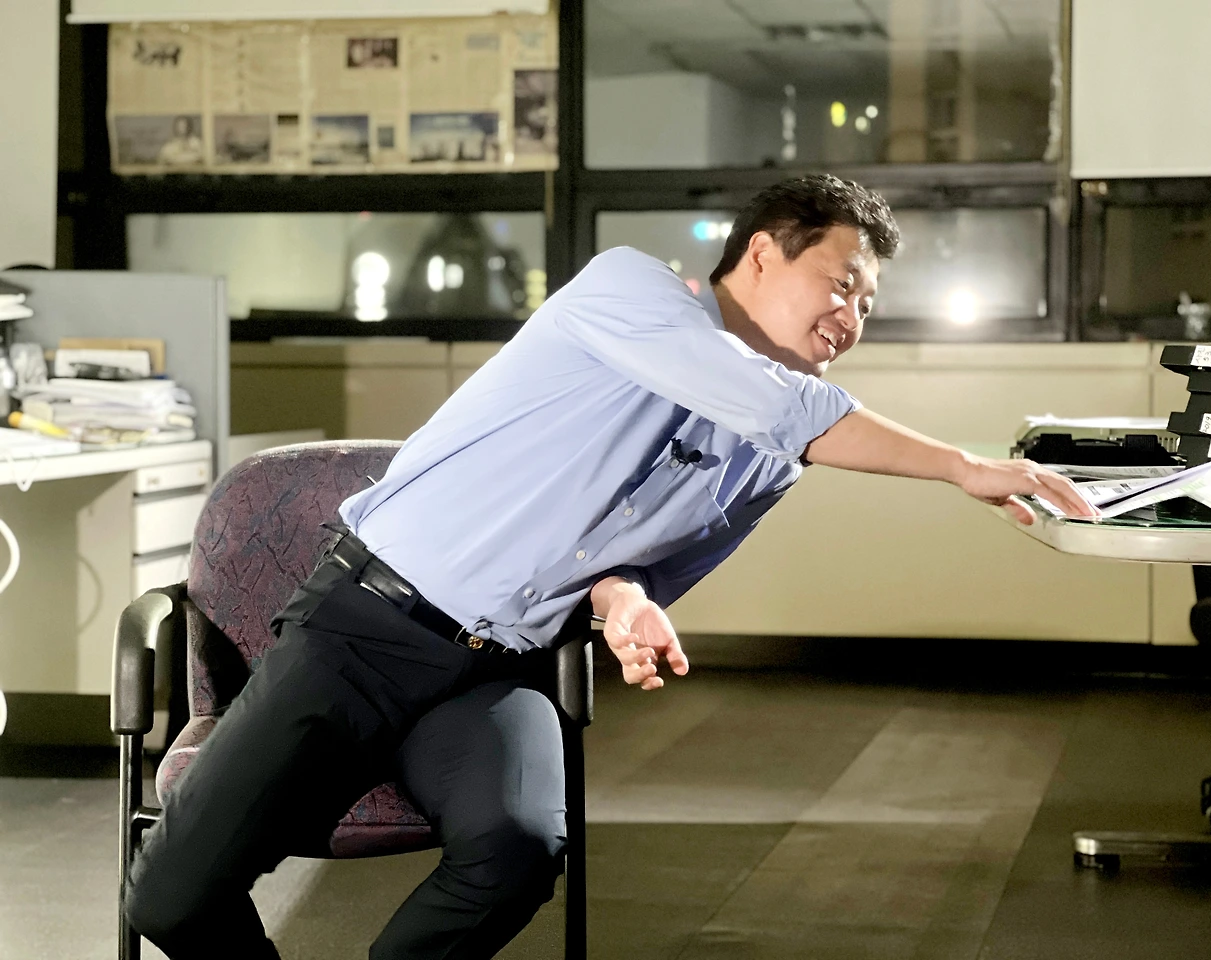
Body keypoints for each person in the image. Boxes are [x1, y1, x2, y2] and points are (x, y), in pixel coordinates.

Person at [124, 175, 1095, 960]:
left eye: (868, 306)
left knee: (517, 847)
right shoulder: (626, 291)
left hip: (494, 670)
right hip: (362, 630)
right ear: (763, 252)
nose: (852, 317)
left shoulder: (768, 460)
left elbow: (641, 565)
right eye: (841, 285)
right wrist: (962, 465)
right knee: (170, 896)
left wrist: (628, 602)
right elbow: (773, 404)